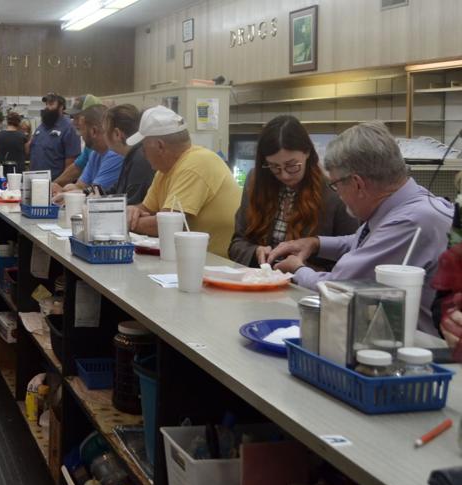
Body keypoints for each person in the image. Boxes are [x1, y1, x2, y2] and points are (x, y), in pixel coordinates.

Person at [267, 122, 453, 336]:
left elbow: (337, 288)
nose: (337, 193)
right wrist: (316, 243)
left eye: (336, 185)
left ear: (357, 184)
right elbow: (365, 241)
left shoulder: (413, 222)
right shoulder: (406, 202)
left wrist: (297, 269)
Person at [228, 116, 358, 268]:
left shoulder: (334, 192)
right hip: (259, 281)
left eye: (291, 165)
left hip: (309, 287)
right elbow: (236, 244)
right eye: (274, 167)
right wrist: (255, 252)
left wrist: (301, 269)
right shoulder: (255, 181)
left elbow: (350, 256)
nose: (284, 175)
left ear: (307, 152)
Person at [125, 106, 242, 258]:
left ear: (160, 146)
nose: (143, 153)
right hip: (192, 259)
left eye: (144, 146)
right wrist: (132, 211)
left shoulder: (197, 163)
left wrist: (126, 221)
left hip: (217, 264)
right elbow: (146, 209)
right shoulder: (164, 170)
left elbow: (166, 225)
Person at [55, 104, 124, 197]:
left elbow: (94, 192)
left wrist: (68, 194)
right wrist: (68, 189)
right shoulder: (95, 153)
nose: (80, 135)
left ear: (93, 131)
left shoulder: (115, 155)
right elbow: (81, 186)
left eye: (82, 129)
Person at [102, 104, 155, 205]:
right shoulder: (132, 156)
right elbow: (116, 191)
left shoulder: (140, 159)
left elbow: (131, 205)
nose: (103, 135)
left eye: (104, 131)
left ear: (117, 134)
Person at [28, 93, 81, 183]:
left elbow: (71, 163)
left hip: (55, 184)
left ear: (61, 107)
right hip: (35, 181)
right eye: (47, 104)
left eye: (51, 104)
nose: (47, 107)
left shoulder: (69, 128)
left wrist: (59, 185)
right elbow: (32, 151)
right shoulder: (41, 127)